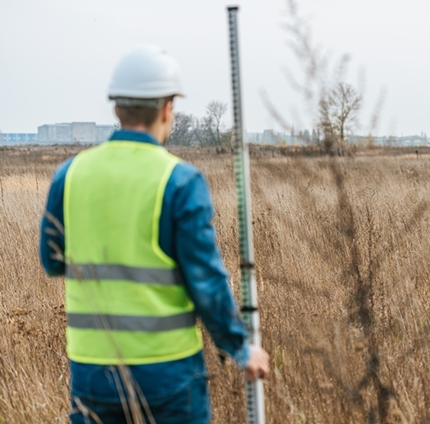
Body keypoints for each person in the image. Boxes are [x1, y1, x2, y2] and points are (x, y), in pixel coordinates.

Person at [39, 44, 269, 424]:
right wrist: (241, 348)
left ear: (116, 109)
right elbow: (205, 281)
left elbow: (51, 261)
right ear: (167, 109)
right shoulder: (180, 181)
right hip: (167, 374)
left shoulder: (70, 174)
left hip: (91, 374)